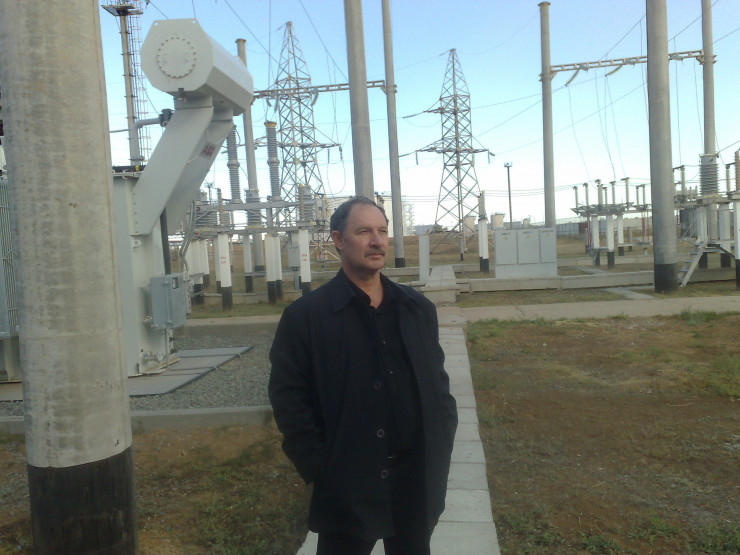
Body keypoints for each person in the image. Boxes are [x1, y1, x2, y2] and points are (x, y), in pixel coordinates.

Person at [269, 196, 458, 555]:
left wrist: (441, 447)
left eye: (382, 231)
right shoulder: (306, 318)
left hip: (416, 483)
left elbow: (438, 388)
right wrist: (320, 468)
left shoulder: (417, 309)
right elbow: (288, 400)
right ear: (338, 240)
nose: (376, 241)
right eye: (364, 232)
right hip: (347, 488)